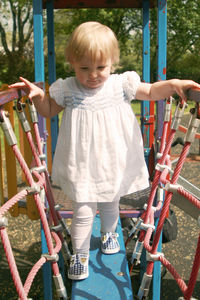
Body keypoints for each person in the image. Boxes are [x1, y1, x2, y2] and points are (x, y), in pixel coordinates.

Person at [9, 21, 200, 280]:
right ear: (72, 62)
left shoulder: (120, 84)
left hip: (113, 160)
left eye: (101, 67)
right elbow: (49, 111)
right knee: (84, 210)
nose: (93, 75)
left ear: (112, 62)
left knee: (111, 202)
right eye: (84, 68)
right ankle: (80, 254)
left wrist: (174, 83)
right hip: (82, 164)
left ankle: (110, 234)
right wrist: (38, 96)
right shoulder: (68, 88)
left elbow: (152, 90)